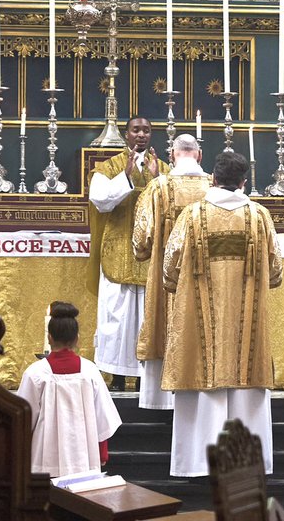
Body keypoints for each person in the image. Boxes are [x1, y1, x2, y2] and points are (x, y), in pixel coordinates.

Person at [162, 151, 283, 477]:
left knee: (203, 375)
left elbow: (169, 271)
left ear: (213, 179)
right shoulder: (259, 217)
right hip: (247, 337)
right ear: (243, 182)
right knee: (245, 379)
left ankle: (198, 464)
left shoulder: (191, 216)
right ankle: (245, 462)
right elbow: (275, 273)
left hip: (201, 336)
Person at [87, 117, 168, 388]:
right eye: (136, 130)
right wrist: (126, 176)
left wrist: (158, 179)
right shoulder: (108, 167)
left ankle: (147, 376)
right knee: (117, 317)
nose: (141, 135)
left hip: (152, 255)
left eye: (146, 130)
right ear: (126, 134)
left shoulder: (164, 169)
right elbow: (100, 201)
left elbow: (176, 204)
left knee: (148, 316)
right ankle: (118, 375)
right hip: (118, 250)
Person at [132, 133, 211, 410]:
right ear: (199, 155)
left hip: (167, 280)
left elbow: (141, 242)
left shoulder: (158, 188)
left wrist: (145, 252)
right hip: (207, 279)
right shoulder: (215, 187)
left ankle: (161, 401)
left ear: (173, 155)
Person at [15, 301, 122, 477]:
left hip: (44, 460)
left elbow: (23, 421)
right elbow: (102, 417)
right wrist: (103, 452)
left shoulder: (35, 373)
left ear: (49, 337)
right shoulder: (90, 371)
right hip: (84, 458)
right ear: (77, 338)